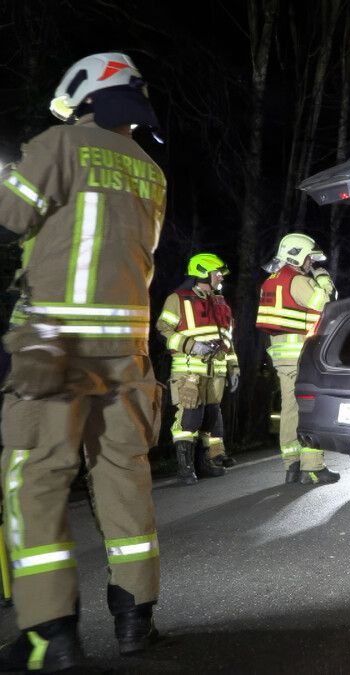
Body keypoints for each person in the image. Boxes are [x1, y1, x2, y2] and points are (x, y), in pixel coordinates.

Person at [0, 52, 167, 670]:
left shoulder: (61, 143)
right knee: (124, 474)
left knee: (36, 478)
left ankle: (50, 636)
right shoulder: (151, 169)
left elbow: (10, 216)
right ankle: (135, 617)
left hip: (54, 345)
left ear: (86, 93)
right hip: (128, 350)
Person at [256, 232, 339, 485]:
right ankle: (313, 467)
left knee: (290, 409)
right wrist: (323, 279)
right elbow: (327, 303)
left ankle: (291, 465)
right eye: (309, 258)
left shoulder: (272, 280)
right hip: (302, 355)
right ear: (296, 256)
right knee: (311, 408)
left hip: (282, 356)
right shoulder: (298, 281)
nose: (311, 263)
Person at [157, 253, 239, 485]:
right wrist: (192, 346)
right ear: (203, 273)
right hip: (189, 371)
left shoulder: (220, 302)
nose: (221, 277)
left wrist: (233, 367)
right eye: (217, 273)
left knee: (211, 417)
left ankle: (205, 464)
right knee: (189, 418)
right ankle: (185, 468)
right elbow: (163, 329)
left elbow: (228, 339)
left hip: (216, 372)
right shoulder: (177, 299)